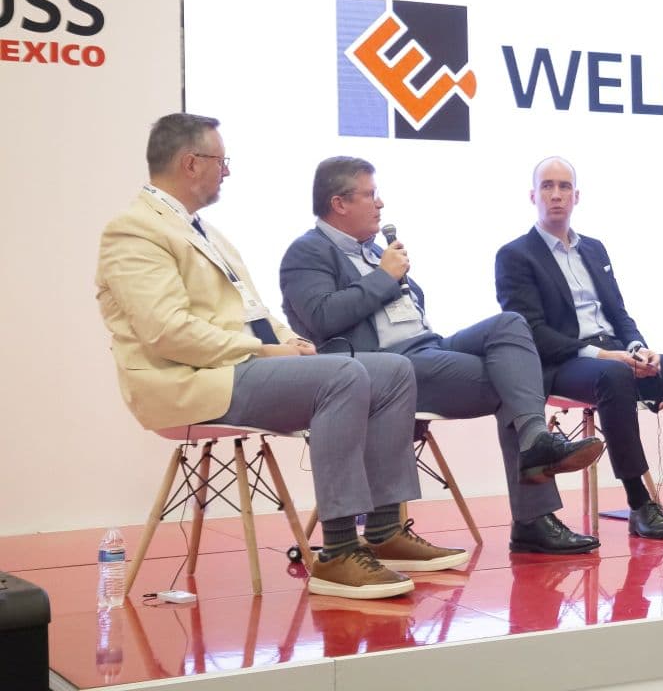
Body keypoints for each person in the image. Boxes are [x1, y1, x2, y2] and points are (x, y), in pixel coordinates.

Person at [96, 114, 465, 601]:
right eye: (221, 161)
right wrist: (264, 349)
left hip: (242, 366)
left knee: (393, 371)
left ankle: (383, 531)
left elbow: (256, 313)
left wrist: (294, 342)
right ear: (191, 163)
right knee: (343, 375)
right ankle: (337, 552)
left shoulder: (208, 233)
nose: (227, 171)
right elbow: (167, 332)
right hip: (192, 379)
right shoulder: (135, 232)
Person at [279, 157, 604, 555]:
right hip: (383, 366)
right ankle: (533, 516)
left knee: (510, 325)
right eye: (370, 195)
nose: (380, 204)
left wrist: (387, 275)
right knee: (516, 384)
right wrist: (384, 276)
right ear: (339, 203)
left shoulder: (374, 251)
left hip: (427, 349)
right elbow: (322, 317)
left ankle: (535, 439)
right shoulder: (307, 252)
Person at [495, 157, 663, 540]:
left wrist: (637, 348)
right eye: (547, 186)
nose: (556, 195)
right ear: (533, 195)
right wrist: (604, 356)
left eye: (564, 187)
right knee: (614, 374)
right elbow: (532, 333)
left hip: (616, 356)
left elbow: (618, 313)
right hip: (565, 363)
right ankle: (640, 503)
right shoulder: (516, 255)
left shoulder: (594, 249)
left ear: (577, 196)